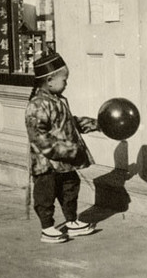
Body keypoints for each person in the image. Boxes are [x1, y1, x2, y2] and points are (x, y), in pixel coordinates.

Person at [25, 53, 98, 243]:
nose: (66, 84)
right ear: (49, 81)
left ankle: (71, 222)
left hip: (64, 163)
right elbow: (38, 137)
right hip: (46, 164)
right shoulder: (38, 105)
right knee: (45, 194)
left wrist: (94, 124)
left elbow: (68, 124)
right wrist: (68, 150)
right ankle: (47, 228)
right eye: (64, 80)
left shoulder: (58, 100)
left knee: (70, 188)